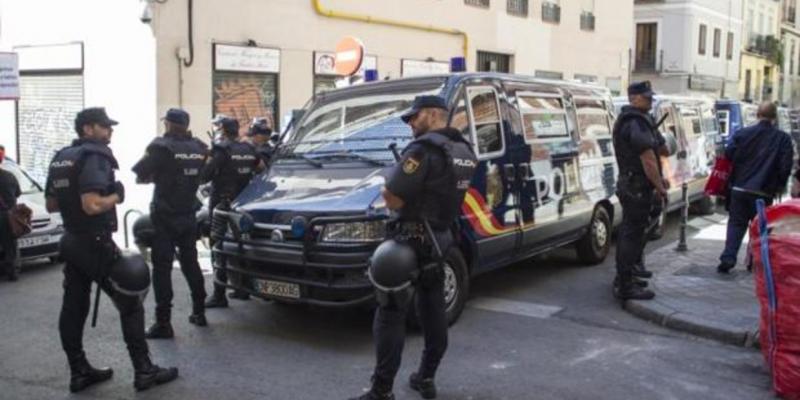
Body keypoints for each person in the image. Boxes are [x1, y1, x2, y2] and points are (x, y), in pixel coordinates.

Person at [349, 96, 477, 400]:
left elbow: (393, 198)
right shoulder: (464, 151)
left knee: (391, 312)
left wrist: (386, 184)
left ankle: (381, 390)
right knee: (433, 311)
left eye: (413, 117)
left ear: (433, 115)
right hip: (442, 239)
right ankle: (426, 378)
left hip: (409, 241)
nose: (410, 124)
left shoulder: (422, 150)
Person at [45, 107, 178, 392]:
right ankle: (145, 371)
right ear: (87, 129)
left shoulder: (61, 157)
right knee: (131, 300)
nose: (110, 131)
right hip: (94, 241)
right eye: (104, 126)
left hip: (71, 240)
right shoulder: (95, 155)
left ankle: (79, 372)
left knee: (74, 306)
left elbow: (51, 205)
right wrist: (117, 195)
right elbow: (91, 204)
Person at [132, 108, 209, 339]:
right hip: (188, 214)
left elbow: (140, 175)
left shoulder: (161, 147)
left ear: (167, 124)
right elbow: (203, 176)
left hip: (165, 217)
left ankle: (163, 322)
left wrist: (161, 175)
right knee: (191, 263)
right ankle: (200, 311)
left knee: (162, 268)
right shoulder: (200, 148)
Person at [718, 102, 794, 273]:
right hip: (764, 191)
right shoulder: (782, 139)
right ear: (774, 118)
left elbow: (728, 154)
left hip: (739, 188)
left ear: (758, 115)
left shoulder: (743, 134)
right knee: (762, 228)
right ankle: (754, 261)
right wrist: (779, 185)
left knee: (736, 224)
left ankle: (728, 258)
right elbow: (785, 166)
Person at [611, 81, 670, 301]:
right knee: (631, 236)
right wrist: (660, 186)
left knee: (632, 235)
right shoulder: (635, 123)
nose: (650, 100)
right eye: (646, 97)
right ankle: (626, 286)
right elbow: (648, 161)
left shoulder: (641, 121)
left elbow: (662, 149)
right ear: (633, 98)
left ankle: (627, 279)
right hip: (635, 186)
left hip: (632, 185)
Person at [201, 117, 261, 307]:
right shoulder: (249, 149)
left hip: (221, 206)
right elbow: (262, 170)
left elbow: (204, 176)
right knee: (240, 245)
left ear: (223, 131)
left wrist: (208, 156)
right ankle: (242, 289)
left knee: (218, 247)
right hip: (242, 206)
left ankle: (219, 294)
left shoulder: (222, 150)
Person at [0, 145, 21, 281]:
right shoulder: (9, 176)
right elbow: (18, 193)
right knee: (11, 245)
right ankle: (12, 272)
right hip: (9, 216)